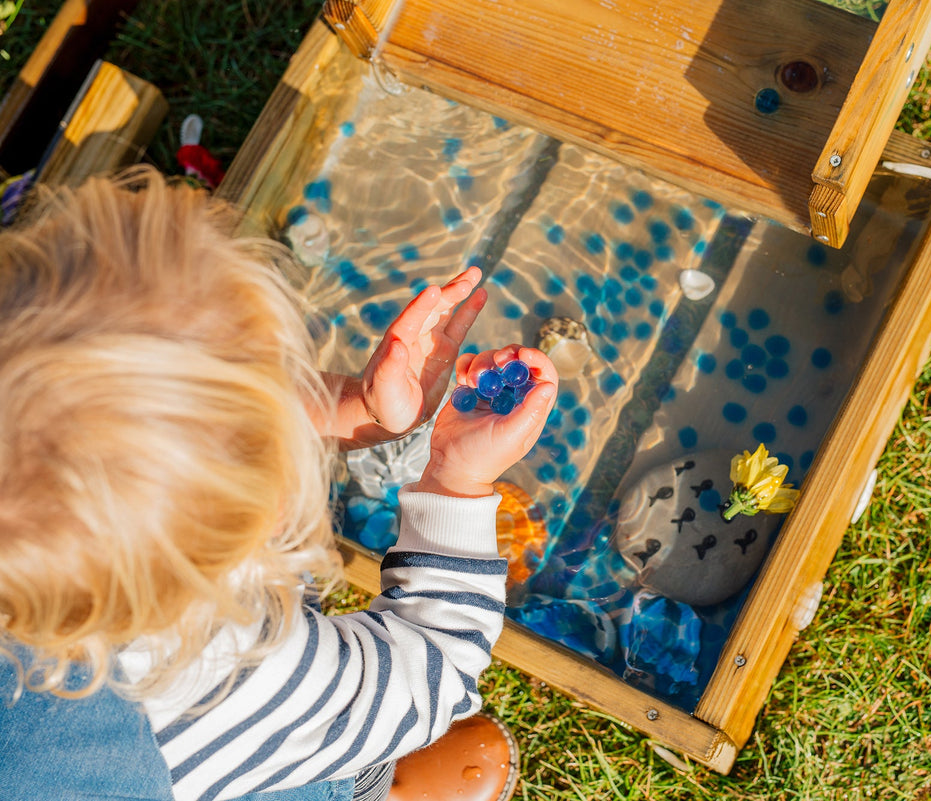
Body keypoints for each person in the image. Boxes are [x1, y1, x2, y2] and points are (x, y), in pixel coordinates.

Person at [0, 168, 556, 801]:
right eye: (270, 380)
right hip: (186, 764)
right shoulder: (225, 671)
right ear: (266, 518)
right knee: (325, 758)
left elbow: (152, 428)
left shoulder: (56, 521)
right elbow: (435, 666)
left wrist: (354, 409)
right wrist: (456, 480)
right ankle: (372, 782)